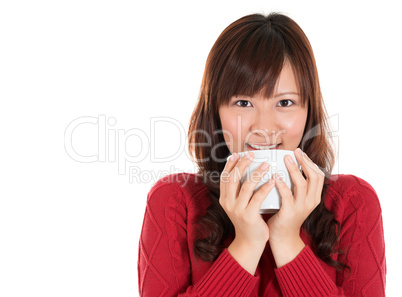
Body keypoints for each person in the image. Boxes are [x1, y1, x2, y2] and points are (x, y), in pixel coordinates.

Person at [137, 12, 386, 296]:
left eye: (285, 102)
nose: (265, 127)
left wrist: (288, 241)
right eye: (243, 102)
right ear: (216, 113)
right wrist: (246, 244)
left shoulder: (352, 202)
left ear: (308, 111)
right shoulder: (174, 201)